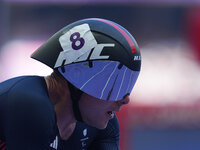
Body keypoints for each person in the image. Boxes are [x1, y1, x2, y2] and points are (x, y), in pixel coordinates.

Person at [0, 18, 141, 150]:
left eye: (128, 84)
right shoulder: (28, 104)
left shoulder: (103, 126)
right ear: (78, 78)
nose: (125, 99)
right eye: (113, 85)